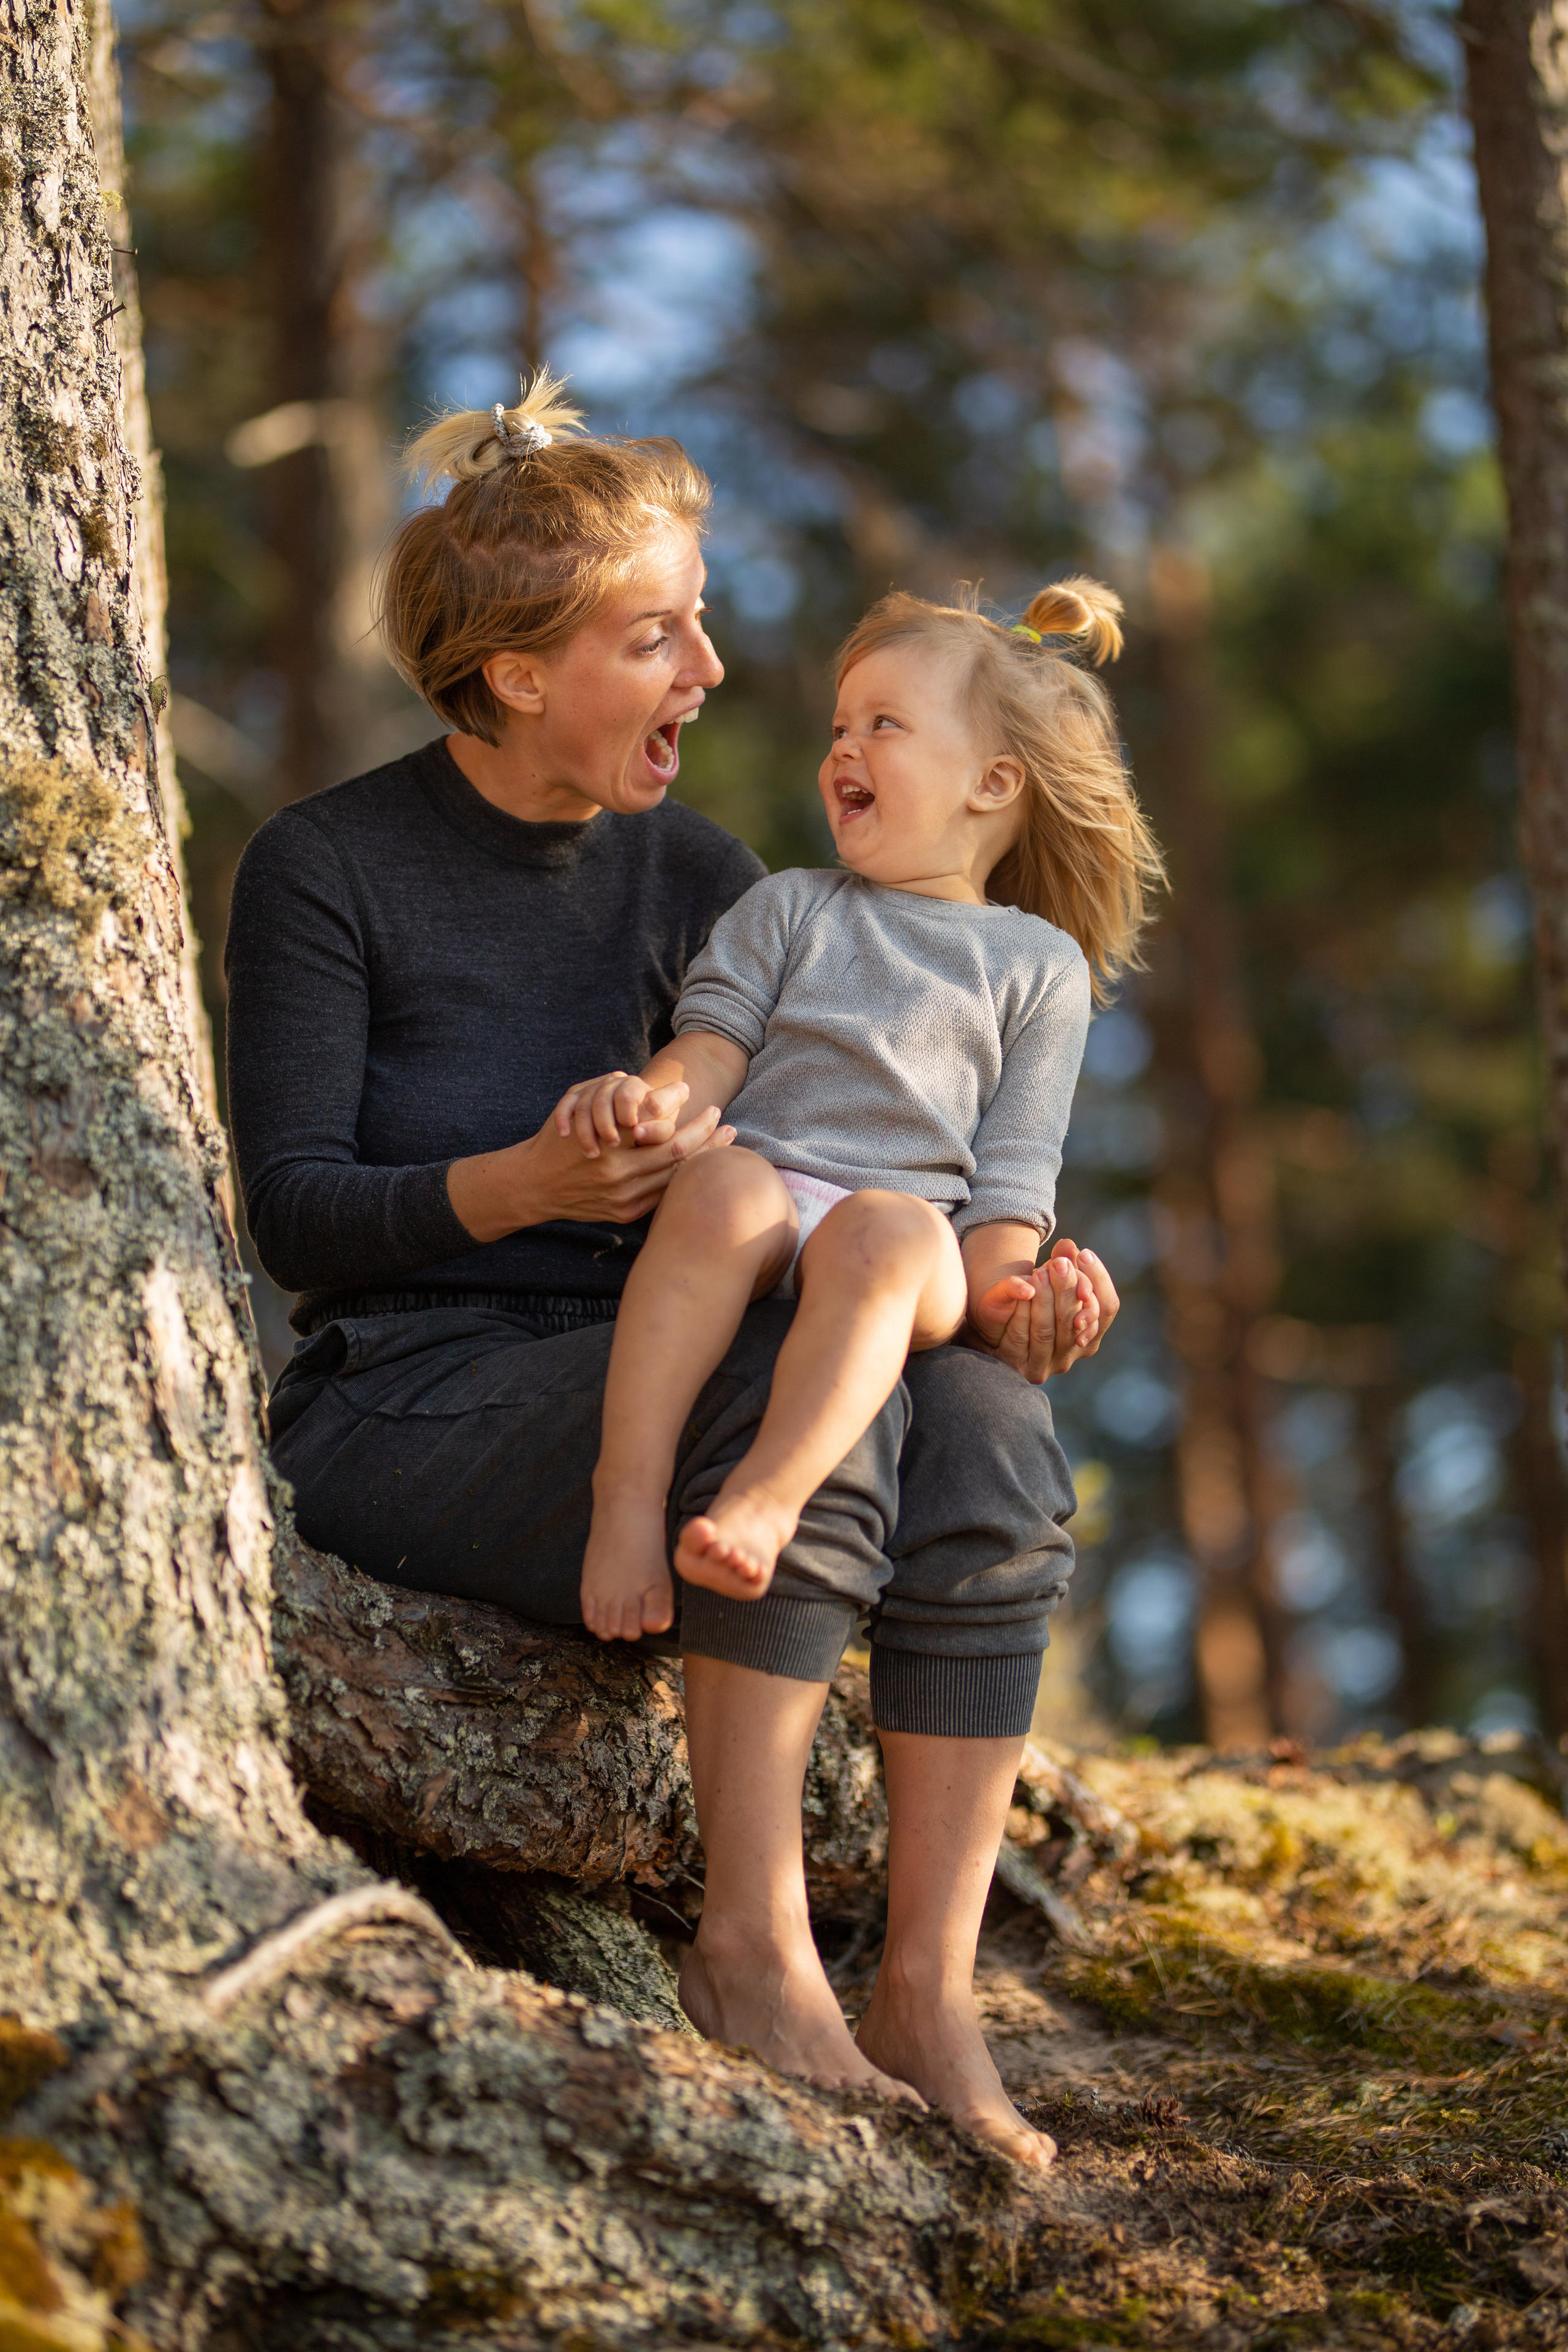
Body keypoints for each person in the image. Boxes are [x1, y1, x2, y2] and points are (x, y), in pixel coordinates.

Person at [224, 372, 1123, 2170]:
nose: (710, 671)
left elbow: (834, 1167)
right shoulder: (327, 868)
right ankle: (753, 1948)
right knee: (781, 1417)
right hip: (414, 1401)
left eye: (702, 622)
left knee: (989, 1432)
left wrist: (1007, 1292)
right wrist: (530, 1181)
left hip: (687, 1332)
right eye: (658, 635)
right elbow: (298, 1219)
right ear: (515, 674)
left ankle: (928, 1994)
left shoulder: (707, 872)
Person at [578, 579, 1158, 1646]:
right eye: (840, 727)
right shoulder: (791, 905)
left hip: (909, 1242)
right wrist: (645, 1104)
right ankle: (625, 1501)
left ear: (992, 782)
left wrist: (1018, 1301)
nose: (844, 749)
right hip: (767, 1198)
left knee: (885, 1231)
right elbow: (711, 1049)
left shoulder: (1039, 968)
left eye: (883, 725)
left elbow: (1012, 1180)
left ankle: (768, 1497)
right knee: (715, 1183)